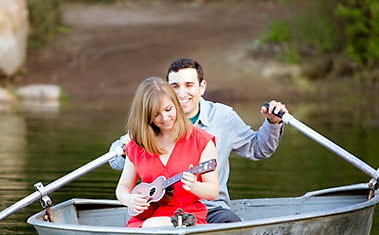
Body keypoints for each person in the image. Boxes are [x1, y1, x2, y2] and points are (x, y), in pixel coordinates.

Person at [110, 58, 288, 223]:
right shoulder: (152, 121)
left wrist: (273, 123)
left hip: (211, 207)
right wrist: (131, 146)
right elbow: (117, 162)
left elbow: (258, 149)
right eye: (175, 86)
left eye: (189, 85)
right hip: (157, 208)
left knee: (231, 226)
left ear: (201, 87)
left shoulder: (222, 117)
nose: (181, 93)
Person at [115, 77, 219, 228]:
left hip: (184, 217)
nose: (165, 118)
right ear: (146, 116)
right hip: (144, 217)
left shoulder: (201, 140)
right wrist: (128, 199)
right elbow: (123, 187)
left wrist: (194, 186)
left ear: (176, 105)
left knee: (152, 226)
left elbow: (213, 191)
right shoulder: (137, 145)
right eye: (156, 114)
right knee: (147, 226)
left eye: (168, 109)